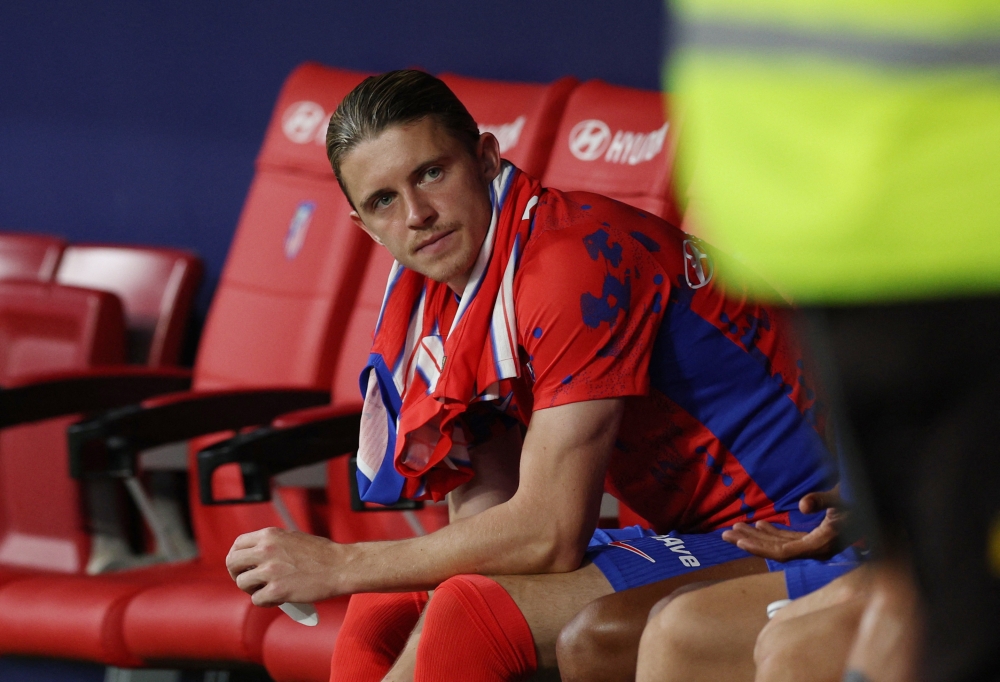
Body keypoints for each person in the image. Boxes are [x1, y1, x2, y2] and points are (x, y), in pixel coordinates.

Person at [224, 70, 841, 682]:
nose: (417, 214)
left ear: (487, 158)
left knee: (467, 614)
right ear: (362, 224)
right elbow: (486, 518)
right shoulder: (439, 298)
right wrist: (359, 573)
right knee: (383, 608)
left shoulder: (572, 262)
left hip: (808, 525)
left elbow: (550, 534)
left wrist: (338, 563)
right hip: (703, 532)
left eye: (431, 173)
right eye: (383, 200)